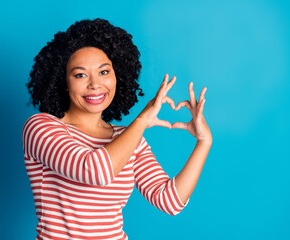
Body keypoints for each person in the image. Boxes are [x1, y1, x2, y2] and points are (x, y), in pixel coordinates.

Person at [22, 18, 212, 240]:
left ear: (118, 75)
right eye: (80, 74)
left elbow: (169, 201)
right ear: (64, 82)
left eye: (104, 72)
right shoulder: (41, 127)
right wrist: (141, 121)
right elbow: (95, 172)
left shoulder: (128, 137)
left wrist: (203, 142)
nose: (95, 84)